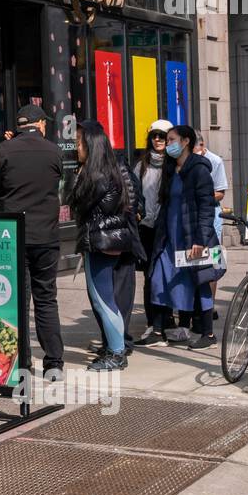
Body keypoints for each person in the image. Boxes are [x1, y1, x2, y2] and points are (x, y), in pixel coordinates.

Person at [0, 104, 65, 377]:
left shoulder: (2, 151)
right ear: (40, 124)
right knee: (46, 299)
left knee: (19, 301)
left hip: (13, 237)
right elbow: (57, 181)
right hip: (46, 236)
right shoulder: (53, 150)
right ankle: (54, 362)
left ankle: (24, 363)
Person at [70, 120, 145, 371]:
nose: (75, 147)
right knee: (104, 298)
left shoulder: (97, 176)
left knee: (103, 300)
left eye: (79, 142)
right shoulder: (107, 171)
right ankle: (115, 349)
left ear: (91, 145)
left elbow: (80, 206)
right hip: (104, 242)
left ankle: (116, 352)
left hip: (101, 243)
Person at [148, 125, 221, 349]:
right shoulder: (171, 170)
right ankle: (158, 331)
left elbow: (207, 207)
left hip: (192, 238)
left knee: (200, 282)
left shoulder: (199, 170)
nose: (168, 144)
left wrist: (201, 239)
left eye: (172, 140)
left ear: (186, 141)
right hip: (169, 238)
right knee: (158, 278)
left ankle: (208, 335)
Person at [131, 120, 172, 343]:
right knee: (150, 277)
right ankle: (152, 325)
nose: (158, 140)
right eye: (154, 135)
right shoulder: (142, 164)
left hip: (168, 229)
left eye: (162, 136)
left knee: (166, 276)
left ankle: (167, 322)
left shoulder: (175, 164)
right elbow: (135, 192)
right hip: (146, 227)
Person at [194, 132, 228, 321]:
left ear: (202, 145)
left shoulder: (215, 161)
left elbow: (221, 192)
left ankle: (210, 305)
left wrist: (200, 196)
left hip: (212, 215)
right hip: (193, 216)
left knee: (214, 260)